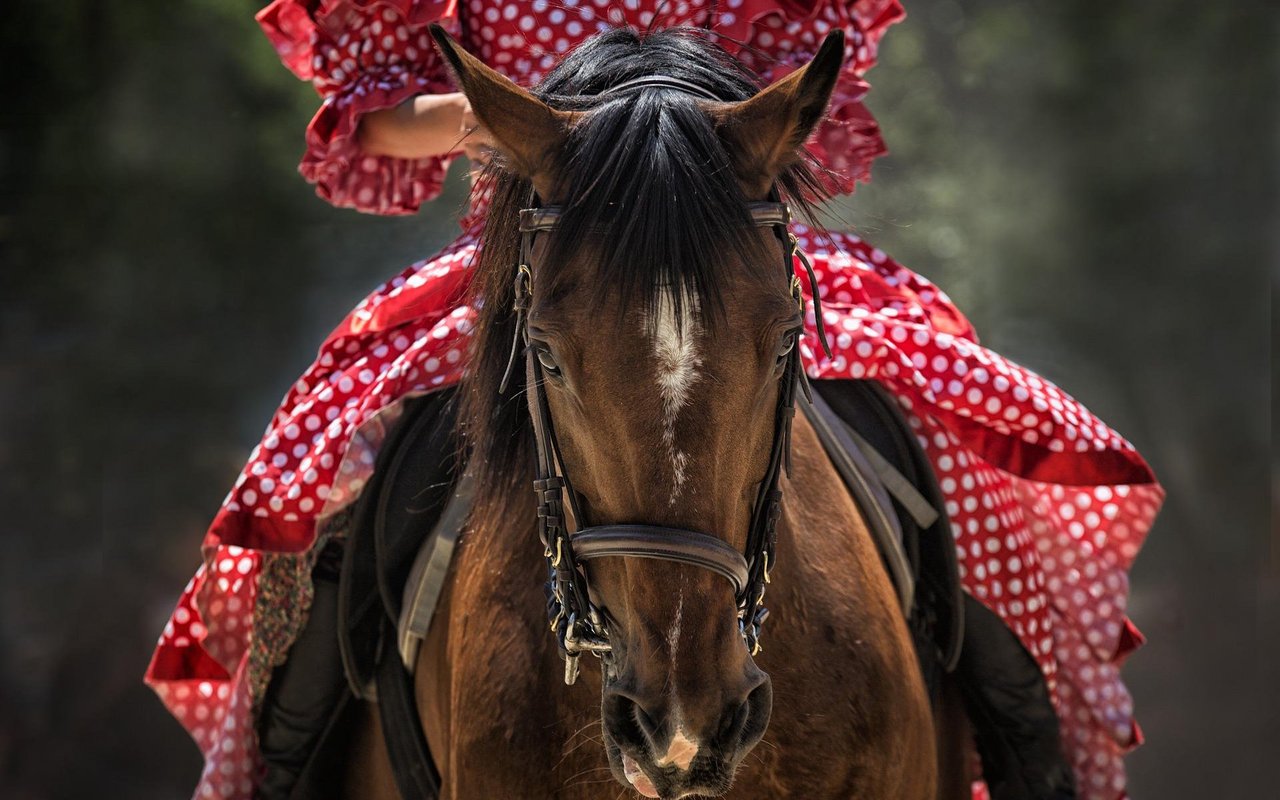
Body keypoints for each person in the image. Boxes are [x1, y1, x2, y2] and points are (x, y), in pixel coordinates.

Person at [145, 2, 1164, 799]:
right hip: (543, 254)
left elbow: (809, 97)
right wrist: (534, 123)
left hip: (721, 244)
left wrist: (681, 126)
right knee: (334, 481)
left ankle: (1028, 741)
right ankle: (288, 755)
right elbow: (378, 119)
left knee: (958, 443)